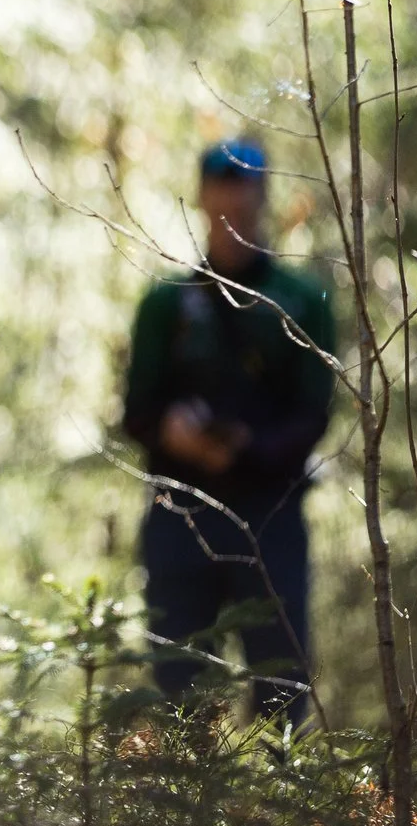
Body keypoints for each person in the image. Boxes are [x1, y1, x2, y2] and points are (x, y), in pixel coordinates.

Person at [119, 139, 336, 727]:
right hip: (180, 514)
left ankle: (279, 813)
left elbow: (315, 413)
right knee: (180, 687)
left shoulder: (303, 299)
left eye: (244, 189)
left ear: (264, 197)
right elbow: (135, 410)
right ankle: (186, 819)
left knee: (280, 685)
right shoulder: (166, 304)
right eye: (221, 188)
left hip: (273, 517)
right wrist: (174, 434)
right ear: (201, 197)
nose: (232, 202)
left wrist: (247, 447)